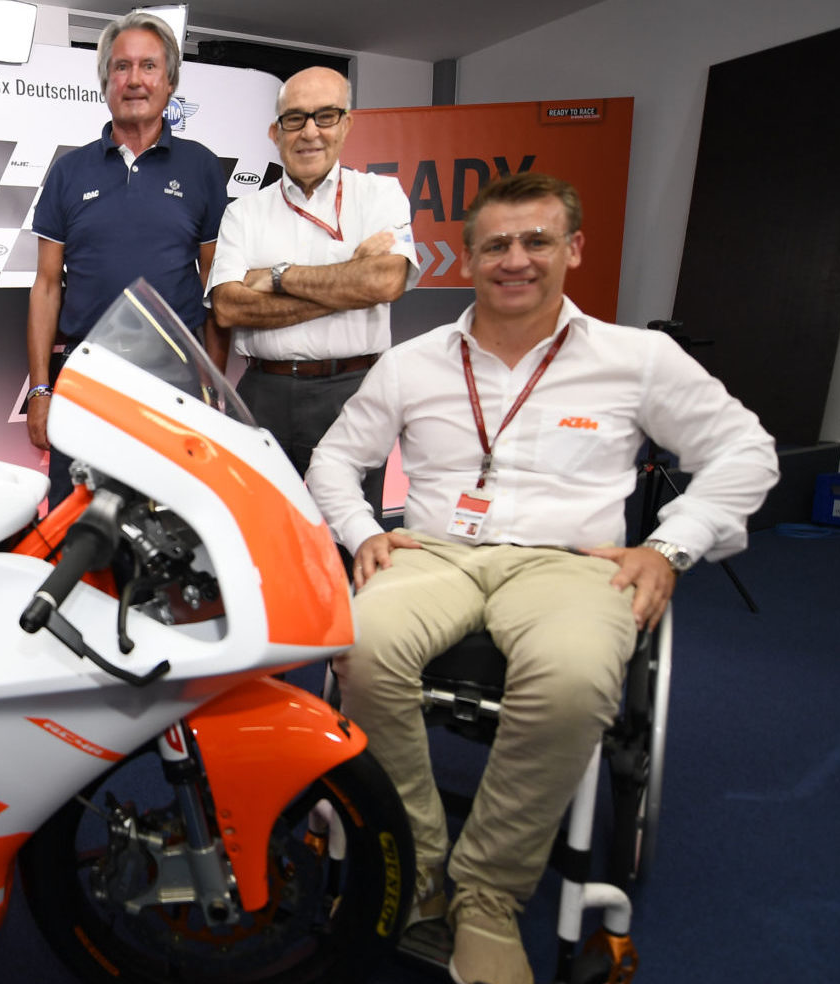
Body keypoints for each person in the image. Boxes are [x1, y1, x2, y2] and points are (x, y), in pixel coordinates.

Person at [306, 172, 778, 984]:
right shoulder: (412, 362)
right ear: (469, 257)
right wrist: (359, 533)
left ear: (573, 249)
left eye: (537, 242)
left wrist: (670, 546)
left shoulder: (638, 359)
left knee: (570, 682)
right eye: (496, 245)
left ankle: (487, 895)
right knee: (363, 643)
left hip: (571, 564)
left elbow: (747, 453)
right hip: (436, 552)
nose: (515, 261)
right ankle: (413, 867)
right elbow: (333, 462)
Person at [25, 12, 226, 508]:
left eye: (148, 66)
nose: (134, 80)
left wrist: (214, 393)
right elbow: (47, 286)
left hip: (175, 381)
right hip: (86, 377)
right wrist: (40, 391)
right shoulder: (69, 172)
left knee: (170, 525)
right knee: (76, 523)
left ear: (170, 81)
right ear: (105, 82)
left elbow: (217, 286)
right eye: (121, 67)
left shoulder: (201, 167)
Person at [207, 66, 418, 513]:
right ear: (275, 131)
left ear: (346, 124)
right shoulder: (243, 212)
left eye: (325, 116)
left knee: (349, 535)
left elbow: (385, 281)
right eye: (295, 118)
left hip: (354, 390)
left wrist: (276, 277)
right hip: (264, 390)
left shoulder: (381, 195)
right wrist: (348, 281)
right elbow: (227, 306)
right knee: (257, 532)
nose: (309, 132)